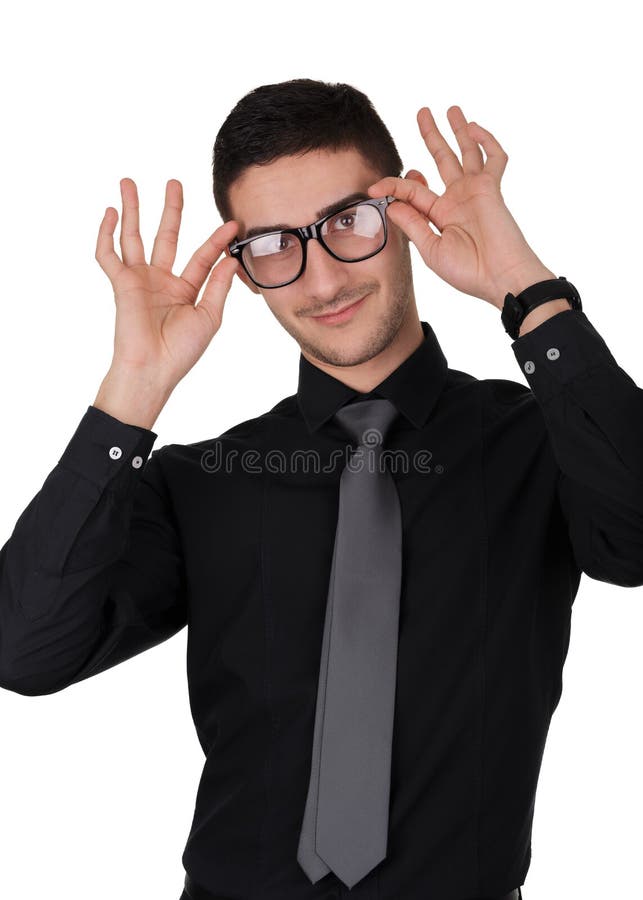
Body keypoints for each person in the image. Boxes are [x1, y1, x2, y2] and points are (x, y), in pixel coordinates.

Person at [1, 78, 641, 900]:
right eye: (273, 244)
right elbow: (24, 652)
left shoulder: (539, 440)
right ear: (244, 265)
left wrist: (525, 287)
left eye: (346, 223)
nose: (320, 279)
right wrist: (132, 388)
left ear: (402, 211)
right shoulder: (200, 483)